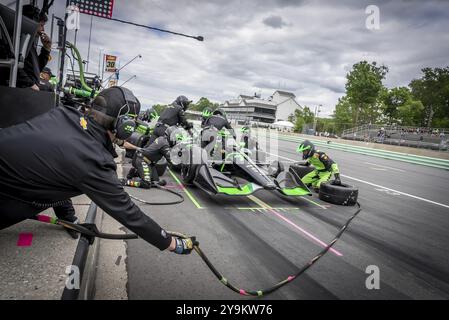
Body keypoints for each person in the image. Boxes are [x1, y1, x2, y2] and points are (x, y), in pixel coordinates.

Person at [0, 86, 196, 254]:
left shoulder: (66, 114)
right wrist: (173, 244)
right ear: (124, 125)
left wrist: (71, 219)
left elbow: (54, 177)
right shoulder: (93, 160)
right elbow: (130, 214)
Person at [16, 4, 52, 91]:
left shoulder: (28, 43)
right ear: (31, 22)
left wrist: (46, 49)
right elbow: (14, 67)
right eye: (41, 25)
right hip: (21, 92)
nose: (42, 30)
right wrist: (30, 84)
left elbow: (36, 69)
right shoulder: (17, 40)